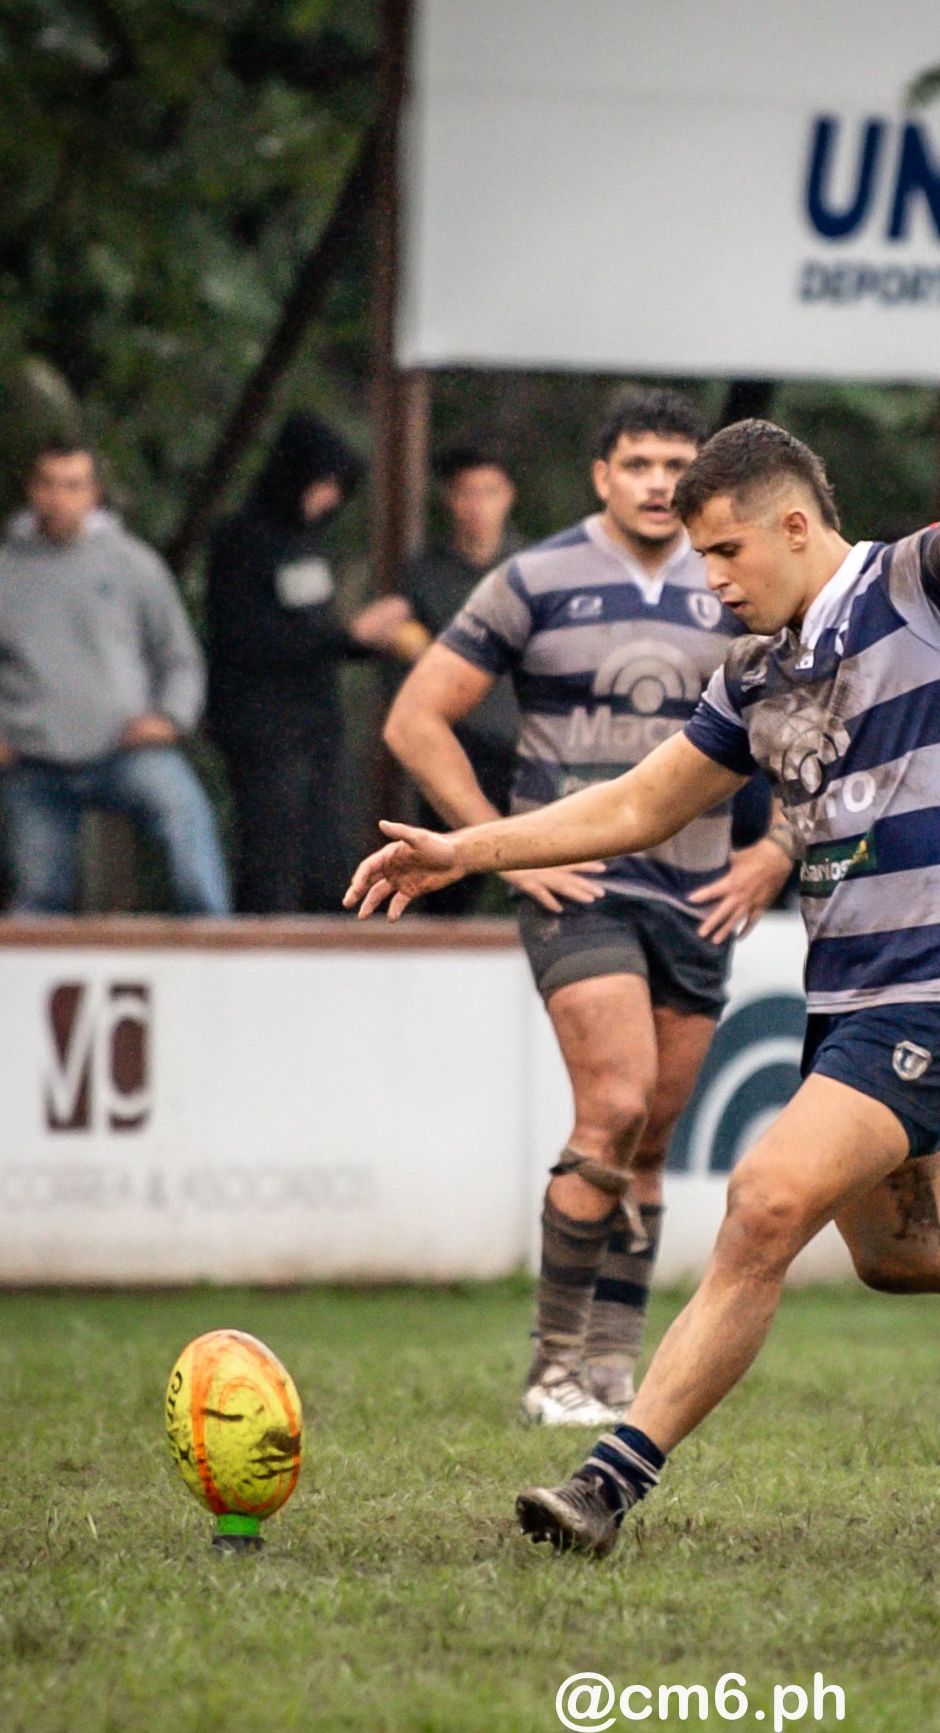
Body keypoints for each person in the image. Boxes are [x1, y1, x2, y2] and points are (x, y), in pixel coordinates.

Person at [347, 269, 940, 1558]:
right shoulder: (754, 675)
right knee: (903, 1252)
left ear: (794, 525)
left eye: (725, 553)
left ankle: (605, 1485)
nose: (712, 583)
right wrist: (467, 844)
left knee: (760, 1204)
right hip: (853, 992)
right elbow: (633, 804)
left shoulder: (918, 589)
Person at [380, 389, 796, 1427]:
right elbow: (414, 717)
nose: (658, 482)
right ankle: (550, 1369)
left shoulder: (735, 581)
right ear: (600, 476)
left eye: (674, 465)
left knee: (650, 1140)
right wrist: (501, 852)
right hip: (581, 886)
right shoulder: (533, 579)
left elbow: (807, 725)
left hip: (700, 891)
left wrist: (774, 851)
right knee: (610, 1107)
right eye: (638, 464)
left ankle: (611, 1369)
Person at [0, 442, 229, 915]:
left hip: (126, 749)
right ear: (33, 490)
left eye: (73, 486)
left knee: (186, 822)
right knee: (40, 894)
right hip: (34, 760)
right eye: (49, 484)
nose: (59, 498)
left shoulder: (135, 565)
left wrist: (171, 718)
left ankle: (219, 949)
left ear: (93, 494)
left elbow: (179, 656)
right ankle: (26, 983)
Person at [203, 412, 368, 914]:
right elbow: (249, 637)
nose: (330, 500)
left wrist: (358, 641)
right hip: (263, 728)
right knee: (271, 861)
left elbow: (312, 632)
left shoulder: (307, 542)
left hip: (315, 725)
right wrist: (343, 638)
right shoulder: (243, 542)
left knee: (329, 858)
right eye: (323, 484)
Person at [352, 447, 524, 914]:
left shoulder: (531, 572)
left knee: (545, 876)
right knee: (448, 882)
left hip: (525, 751)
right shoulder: (425, 574)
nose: (478, 506)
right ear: (449, 499)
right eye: (467, 493)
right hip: (455, 750)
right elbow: (378, 630)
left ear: (508, 497)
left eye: (488, 492)